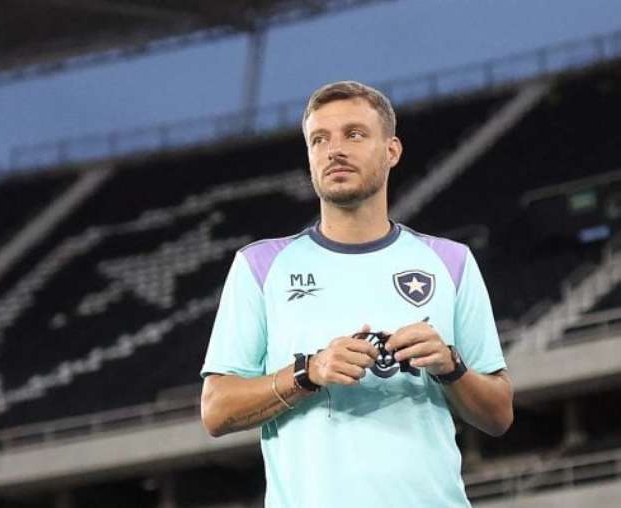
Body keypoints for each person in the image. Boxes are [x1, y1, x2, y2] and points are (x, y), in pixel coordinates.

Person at [199, 80, 513, 507]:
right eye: (319, 139)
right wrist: (309, 372)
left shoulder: (450, 261)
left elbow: (498, 415)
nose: (334, 150)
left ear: (392, 151)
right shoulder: (260, 266)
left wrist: (451, 367)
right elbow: (216, 410)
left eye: (354, 134)